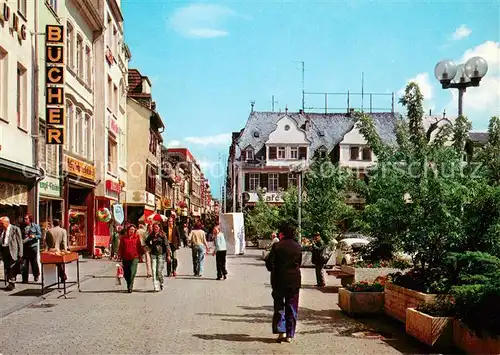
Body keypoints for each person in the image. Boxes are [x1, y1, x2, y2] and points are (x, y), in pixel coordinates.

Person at [265, 222, 302, 343]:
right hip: (294, 281)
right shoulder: (298, 246)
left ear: (282, 233)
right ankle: (290, 334)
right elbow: (299, 262)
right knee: (292, 307)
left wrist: (273, 269)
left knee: (279, 306)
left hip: (279, 280)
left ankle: (281, 331)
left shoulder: (277, 246)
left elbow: (269, 262)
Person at [145, 223, 170, 291]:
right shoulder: (151, 235)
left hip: (161, 254)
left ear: (159, 228)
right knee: (153, 270)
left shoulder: (162, 235)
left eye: (156, 227)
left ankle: (161, 282)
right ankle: (155, 286)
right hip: (153, 254)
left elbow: (167, 245)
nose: (155, 228)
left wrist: (168, 255)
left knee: (159, 271)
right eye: (154, 227)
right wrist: (150, 247)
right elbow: (146, 241)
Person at [118, 225, 143, 293]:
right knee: (126, 274)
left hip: (135, 257)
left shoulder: (137, 238)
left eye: (133, 229)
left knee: (132, 271)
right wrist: (119, 256)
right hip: (125, 257)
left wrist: (140, 255)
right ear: (128, 230)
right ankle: (129, 283)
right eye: (131, 229)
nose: (132, 231)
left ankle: (130, 286)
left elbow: (139, 247)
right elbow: (121, 247)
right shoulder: (123, 238)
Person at [1, 217, 23, 291]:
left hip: (13, 250)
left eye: (2, 223)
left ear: (7, 222)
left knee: (12, 267)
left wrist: (20, 253)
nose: (1, 225)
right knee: (6, 267)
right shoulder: (1, 230)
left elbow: (20, 241)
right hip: (4, 250)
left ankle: (12, 282)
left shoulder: (15, 229)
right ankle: (9, 282)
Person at [21, 214, 41, 283]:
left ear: (30, 219)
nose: (25, 220)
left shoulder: (35, 226)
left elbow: (40, 235)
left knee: (33, 262)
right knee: (24, 263)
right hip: (25, 246)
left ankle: (36, 275)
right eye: (24, 219)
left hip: (33, 246)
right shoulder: (23, 226)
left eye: (26, 219)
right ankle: (25, 278)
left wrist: (34, 236)